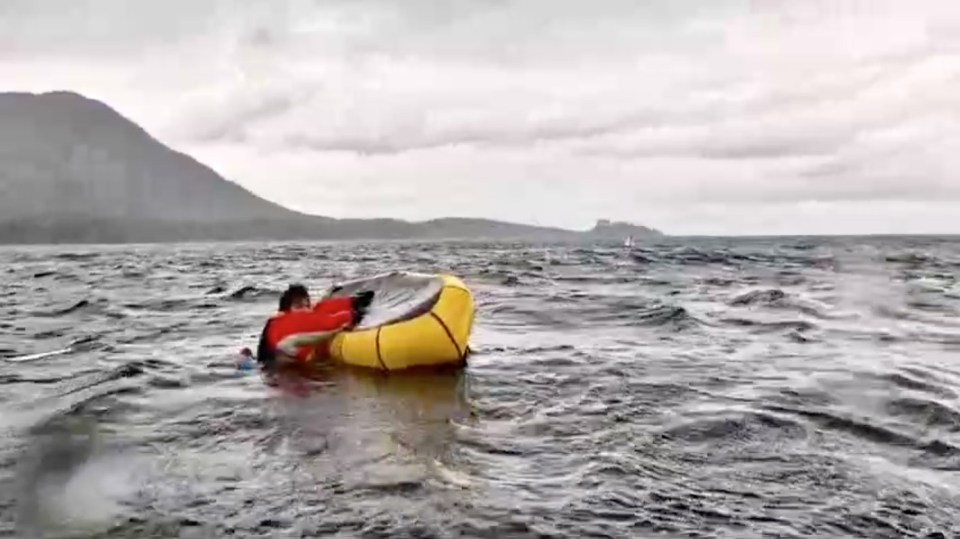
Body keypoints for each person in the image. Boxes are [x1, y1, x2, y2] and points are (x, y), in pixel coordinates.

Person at [255, 284, 375, 370]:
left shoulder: (278, 324)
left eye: (307, 304)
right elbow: (300, 338)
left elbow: (315, 311)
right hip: (278, 373)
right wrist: (336, 331)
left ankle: (356, 303)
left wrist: (330, 297)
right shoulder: (285, 329)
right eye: (300, 306)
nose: (307, 311)